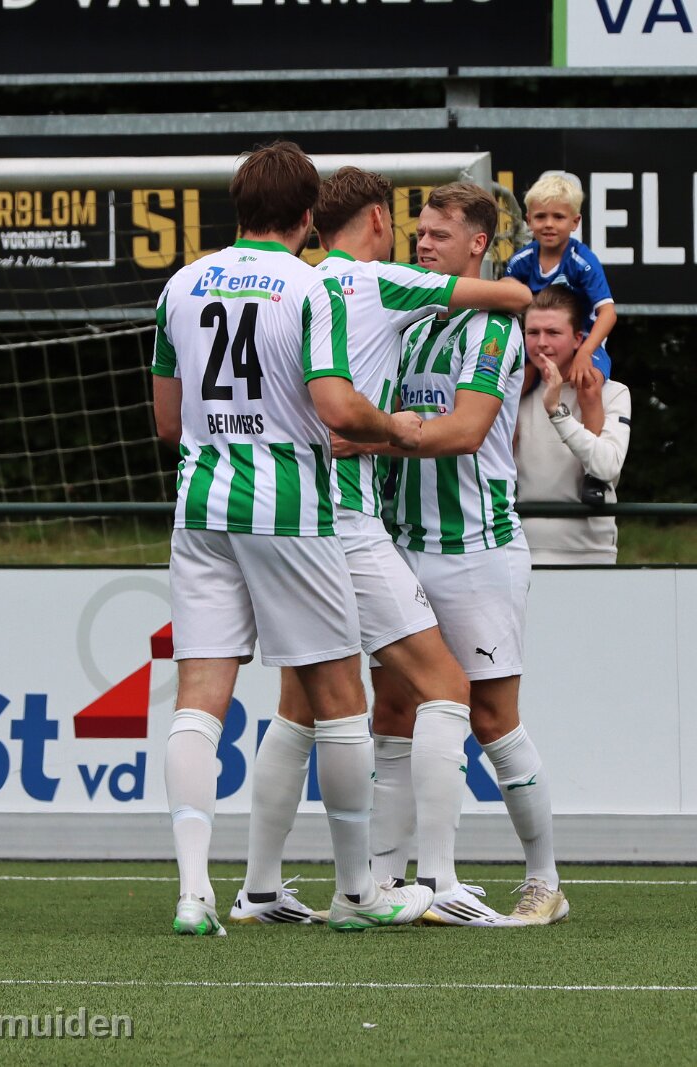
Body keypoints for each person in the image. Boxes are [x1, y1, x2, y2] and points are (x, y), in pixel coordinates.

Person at [231, 167, 532, 929]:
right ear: (375, 219)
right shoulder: (375, 282)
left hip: (276, 513)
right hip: (347, 519)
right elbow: (514, 296)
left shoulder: (292, 289)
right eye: (407, 227)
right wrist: (393, 427)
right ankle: (433, 880)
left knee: (299, 706)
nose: (413, 241)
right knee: (447, 687)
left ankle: (258, 888)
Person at [151, 142, 431, 936]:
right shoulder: (314, 287)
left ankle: (194, 892)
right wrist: (398, 428)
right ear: (309, 217)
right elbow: (339, 410)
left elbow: (168, 422)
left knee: (200, 698)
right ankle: (357, 893)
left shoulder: (181, 284)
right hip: (287, 507)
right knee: (339, 699)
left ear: (237, 207)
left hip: (200, 504)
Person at [378, 182, 569, 925]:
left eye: (439, 234)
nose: (423, 243)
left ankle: (544, 881)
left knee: (491, 719)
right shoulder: (411, 318)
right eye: (420, 233)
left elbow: (464, 431)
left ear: (478, 244)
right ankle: (389, 880)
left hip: (476, 551)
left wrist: (374, 433)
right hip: (401, 545)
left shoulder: (493, 327)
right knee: (393, 710)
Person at [517, 287, 631, 564]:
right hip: (519, 552)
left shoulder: (613, 392)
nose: (541, 343)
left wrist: (557, 412)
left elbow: (607, 467)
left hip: (591, 554)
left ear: (578, 339)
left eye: (553, 333)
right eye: (532, 333)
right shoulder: (515, 391)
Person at [505, 174, 617, 385]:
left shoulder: (583, 261)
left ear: (575, 222)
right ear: (528, 220)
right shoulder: (520, 261)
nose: (549, 224)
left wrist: (585, 351)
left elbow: (608, 313)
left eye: (558, 217)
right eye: (540, 217)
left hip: (584, 339)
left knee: (589, 384)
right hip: (539, 340)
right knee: (515, 382)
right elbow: (505, 299)